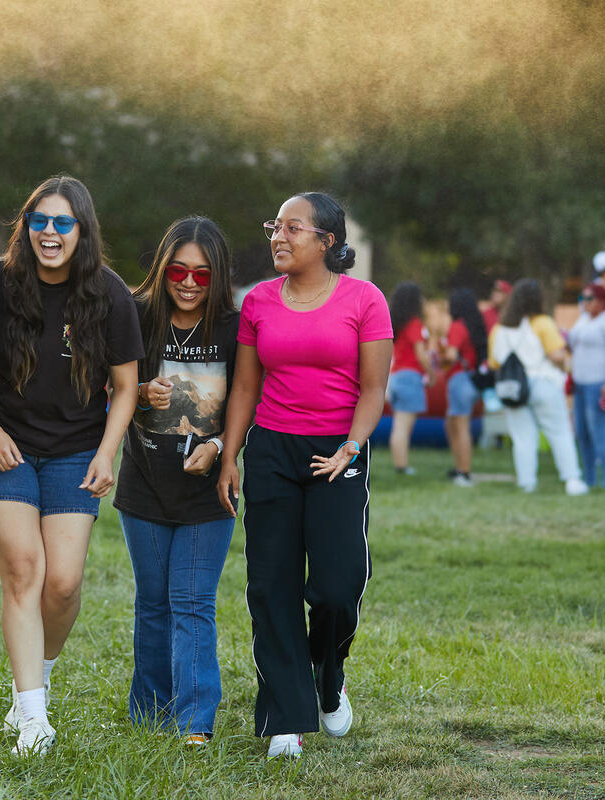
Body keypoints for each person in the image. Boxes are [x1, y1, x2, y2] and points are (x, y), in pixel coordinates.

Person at [0, 176, 142, 756]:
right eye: (40, 220)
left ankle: (34, 675)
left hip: (75, 450)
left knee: (62, 584)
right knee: (24, 570)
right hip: (3, 445)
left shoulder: (108, 293)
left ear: (81, 231)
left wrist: (106, 451)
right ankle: (33, 718)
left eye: (62, 223)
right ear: (27, 225)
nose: (49, 232)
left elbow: (125, 385)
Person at [216, 192, 392, 761]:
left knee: (339, 587)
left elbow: (373, 389)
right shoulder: (260, 302)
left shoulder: (365, 300)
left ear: (328, 242)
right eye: (275, 226)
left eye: (293, 228)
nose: (278, 237)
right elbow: (244, 387)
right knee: (272, 586)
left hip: (339, 452)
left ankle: (328, 676)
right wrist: (229, 456)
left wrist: (351, 448)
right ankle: (286, 717)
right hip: (271, 452)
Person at [113, 217, 239, 747]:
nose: (189, 283)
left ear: (217, 278)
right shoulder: (136, 316)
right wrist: (140, 392)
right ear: (163, 269)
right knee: (153, 601)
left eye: (202, 275)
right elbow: (105, 386)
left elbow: (248, 400)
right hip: (143, 484)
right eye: (179, 270)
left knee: (193, 600)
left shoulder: (235, 327)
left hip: (209, 491)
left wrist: (218, 447)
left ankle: (194, 720)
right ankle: (149, 709)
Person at [489, 279, 589, 496]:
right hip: (543, 383)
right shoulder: (542, 323)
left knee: (523, 437)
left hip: (513, 387)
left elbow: (494, 362)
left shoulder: (500, 327)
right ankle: (572, 480)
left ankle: (526, 482)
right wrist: (565, 360)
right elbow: (556, 355)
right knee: (559, 432)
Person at [569, 284, 605, 490]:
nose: (585, 302)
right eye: (582, 298)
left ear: (602, 300)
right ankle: (589, 479)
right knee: (582, 433)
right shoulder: (583, 318)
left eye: (590, 298)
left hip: (601, 383)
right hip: (581, 383)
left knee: (600, 433)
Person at [441, 289, 487, 486]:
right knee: (452, 424)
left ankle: (465, 472)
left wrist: (440, 357)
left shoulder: (457, 326)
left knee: (460, 427)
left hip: (459, 380)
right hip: (471, 380)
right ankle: (460, 468)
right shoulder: (475, 325)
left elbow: (451, 355)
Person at [387, 281, 434, 474]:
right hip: (410, 378)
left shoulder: (397, 324)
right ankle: (402, 466)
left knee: (399, 424)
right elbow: (421, 354)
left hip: (396, 377)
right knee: (403, 427)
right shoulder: (415, 324)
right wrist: (432, 374)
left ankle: (400, 464)